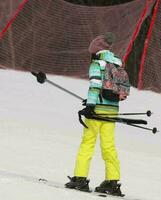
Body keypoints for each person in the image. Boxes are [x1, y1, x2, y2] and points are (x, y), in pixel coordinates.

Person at [65, 32, 125, 197]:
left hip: (97, 111)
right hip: (112, 110)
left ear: (95, 51)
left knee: (88, 143)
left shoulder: (96, 64)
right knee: (109, 146)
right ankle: (112, 182)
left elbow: (95, 85)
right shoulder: (117, 64)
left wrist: (91, 105)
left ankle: (80, 177)